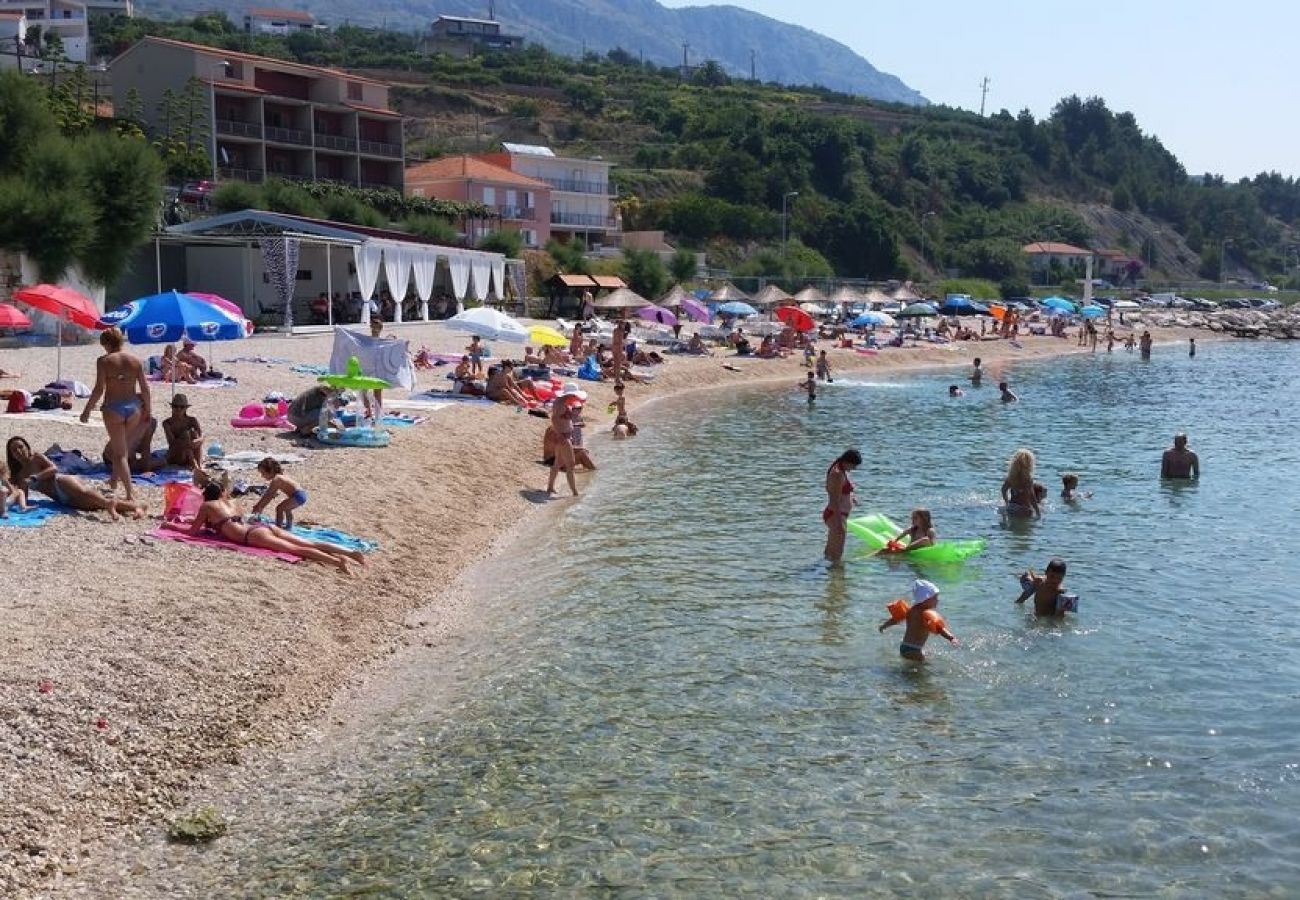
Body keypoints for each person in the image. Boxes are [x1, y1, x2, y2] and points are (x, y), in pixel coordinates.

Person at [169, 482, 363, 574]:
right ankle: (351, 553)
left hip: (251, 535)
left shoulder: (207, 506)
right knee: (308, 542)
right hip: (262, 526)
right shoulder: (233, 502)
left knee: (295, 549)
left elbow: (192, 532)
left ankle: (338, 562)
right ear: (222, 493)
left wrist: (171, 525)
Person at [80, 327, 150, 505]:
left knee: (119, 454)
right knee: (123, 446)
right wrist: (148, 409)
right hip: (134, 407)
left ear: (106, 343)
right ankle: (113, 480)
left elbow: (99, 389)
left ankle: (129, 493)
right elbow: (144, 388)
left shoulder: (104, 361)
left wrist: (87, 409)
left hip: (113, 408)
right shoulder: (135, 360)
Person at [6, 436, 144, 521]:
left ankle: (110, 505)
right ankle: (136, 506)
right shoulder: (19, 474)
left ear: (26, 447)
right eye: (14, 450)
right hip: (58, 497)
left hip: (60, 481)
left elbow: (53, 468)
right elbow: (23, 494)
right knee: (92, 505)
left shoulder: (36, 457)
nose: (19, 451)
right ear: (11, 455)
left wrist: (36, 477)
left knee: (85, 493)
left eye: (21, 447)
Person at [878, 579, 958, 661]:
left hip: (904, 646)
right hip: (914, 650)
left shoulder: (911, 610)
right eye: (935, 598)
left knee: (915, 665)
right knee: (922, 670)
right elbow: (939, 628)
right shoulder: (926, 614)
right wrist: (951, 638)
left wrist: (884, 626)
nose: (938, 600)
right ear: (926, 599)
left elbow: (896, 619)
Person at [823, 448, 861, 563]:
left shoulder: (840, 468)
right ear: (847, 461)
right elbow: (835, 500)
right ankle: (836, 576)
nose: (854, 469)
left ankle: (825, 573)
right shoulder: (837, 474)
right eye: (853, 466)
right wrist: (839, 522)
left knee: (830, 550)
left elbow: (841, 490)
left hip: (837, 514)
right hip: (836, 515)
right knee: (837, 554)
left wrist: (851, 497)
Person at [546, 384, 584, 497]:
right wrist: (559, 434)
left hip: (563, 436)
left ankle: (550, 487)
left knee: (558, 463)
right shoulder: (561, 404)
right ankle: (575, 493)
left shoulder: (560, 401)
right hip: (563, 437)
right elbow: (554, 418)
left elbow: (560, 418)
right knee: (570, 464)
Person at [250, 457, 308, 529]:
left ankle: (278, 527)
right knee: (287, 509)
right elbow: (270, 495)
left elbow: (268, 496)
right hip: (301, 495)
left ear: (270, 471)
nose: (262, 476)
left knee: (279, 508)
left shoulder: (277, 479)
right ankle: (289, 526)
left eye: (263, 473)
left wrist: (259, 506)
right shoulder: (279, 477)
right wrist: (260, 506)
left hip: (297, 495)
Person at [161, 393, 203, 468]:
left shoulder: (192, 420)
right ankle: (197, 466)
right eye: (175, 406)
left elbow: (201, 436)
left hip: (190, 451)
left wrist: (196, 441)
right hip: (177, 454)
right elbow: (172, 443)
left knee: (194, 433)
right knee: (186, 436)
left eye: (182, 407)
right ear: (172, 407)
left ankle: (197, 464)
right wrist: (187, 442)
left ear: (186, 408)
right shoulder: (167, 423)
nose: (178, 409)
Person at [1001, 448, 1041, 518]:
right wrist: (1038, 511)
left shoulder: (1011, 477)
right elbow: (1031, 496)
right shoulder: (1027, 479)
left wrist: (1006, 502)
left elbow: (1003, 490)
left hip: (1012, 507)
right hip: (1024, 509)